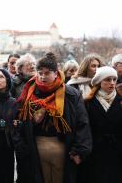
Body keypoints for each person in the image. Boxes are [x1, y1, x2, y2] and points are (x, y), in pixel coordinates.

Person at [15, 52, 92, 183]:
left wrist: (80, 150)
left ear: (56, 73)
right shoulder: (29, 92)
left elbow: (82, 122)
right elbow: (20, 121)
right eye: (40, 73)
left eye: (47, 73)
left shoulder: (70, 94)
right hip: (36, 146)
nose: (42, 76)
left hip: (62, 145)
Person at [78, 66, 122, 183]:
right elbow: (82, 129)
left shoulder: (120, 101)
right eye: (107, 79)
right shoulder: (88, 103)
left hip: (117, 153)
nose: (112, 83)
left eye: (114, 79)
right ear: (99, 81)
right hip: (95, 152)